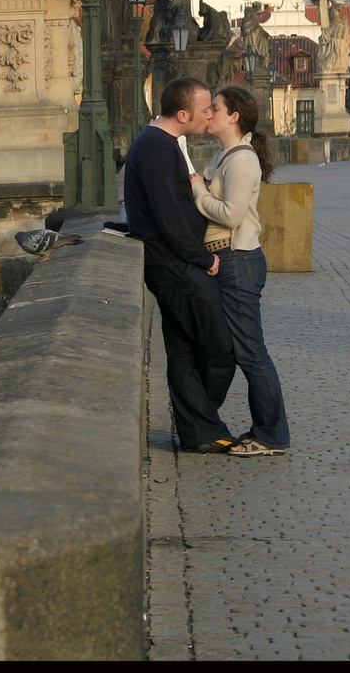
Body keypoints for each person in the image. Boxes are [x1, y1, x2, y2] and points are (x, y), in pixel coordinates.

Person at [124, 77, 236, 453]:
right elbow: (168, 214)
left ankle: (199, 431)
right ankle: (201, 425)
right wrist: (203, 258)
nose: (210, 115)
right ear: (184, 113)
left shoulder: (161, 143)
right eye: (206, 110)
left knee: (185, 348)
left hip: (171, 261)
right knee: (219, 348)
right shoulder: (156, 147)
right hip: (173, 264)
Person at [189, 86, 290, 457]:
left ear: (233, 117)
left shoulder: (241, 159)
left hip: (239, 259)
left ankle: (271, 435)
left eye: (215, 108)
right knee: (237, 348)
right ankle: (258, 429)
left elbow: (230, 215)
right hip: (227, 259)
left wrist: (199, 192)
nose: (208, 113)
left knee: (250, 351)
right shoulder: (225, 155)